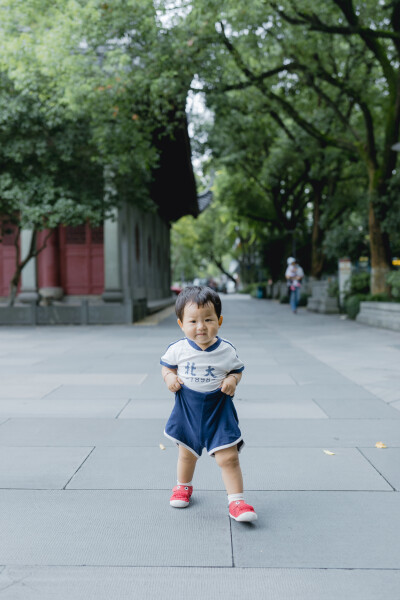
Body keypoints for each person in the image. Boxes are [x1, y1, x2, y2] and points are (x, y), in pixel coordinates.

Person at [160, 286, 257, 522]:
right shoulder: (178, 349)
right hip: (188, 409)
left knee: (229, 457)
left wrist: (233, 380)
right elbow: (167, 366)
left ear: (219, 321)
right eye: (193, 321)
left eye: (208, 319)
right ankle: (183, 486)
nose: (201, 326)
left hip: (218, 410)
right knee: (187, 454)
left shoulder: (226, 351)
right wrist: (169, 378)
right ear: (181, 324)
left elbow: (237, 370)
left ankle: (237, 501)